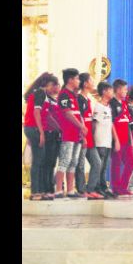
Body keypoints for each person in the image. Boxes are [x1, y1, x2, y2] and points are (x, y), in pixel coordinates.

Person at [23, 72, 59, 201]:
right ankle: (35, 191)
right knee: (38, 161)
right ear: (47, 84)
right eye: (52, 85)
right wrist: (41, 132)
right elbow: (36, 113)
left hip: (33, 128)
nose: (53, 88)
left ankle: (41, 190)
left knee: (41, 160)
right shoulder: (40, 93)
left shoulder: (39, 93)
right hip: (34, 128)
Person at [56, 68, 87, 198]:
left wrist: (82, 130)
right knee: (65, 160)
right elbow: (67, 113)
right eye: (77, 78)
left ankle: (70, 190)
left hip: (77, 135)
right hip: (67, 134)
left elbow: (78, 114)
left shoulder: (74, 96)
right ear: (70, 80)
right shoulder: (63, 94)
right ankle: (58, 189)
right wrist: (80, 125)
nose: (79, 81)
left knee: (74, 161)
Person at [75, 73, 104, 199]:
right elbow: (79, 119)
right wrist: (84, 137)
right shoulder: (79, 99)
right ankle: (81, 190)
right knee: (80, 165)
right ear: (85, 83)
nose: (93, 82)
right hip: (82, 138)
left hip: (90, 138)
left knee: (97, 163)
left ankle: (90, 188)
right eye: (91, 80)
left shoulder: (88, 99)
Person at [87, 81, 116, 199]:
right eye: (110, 90)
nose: (112, 92)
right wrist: (93, 140)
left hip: (107, 141)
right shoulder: (98, 107)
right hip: (99, 141)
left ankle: (103, 187)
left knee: (104, 167)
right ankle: (96, 187)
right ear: (104, 92)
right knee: (99, 165)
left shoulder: (108, 107)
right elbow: (94, 124)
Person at [109, 79, 133, 197]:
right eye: (125, 89)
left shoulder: (125, 104)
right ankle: (116, 188)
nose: (126, 92)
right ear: (118, 89)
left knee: (131, 162)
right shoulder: (112, 103)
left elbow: (129, 124)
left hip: (127, 140)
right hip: (117, 140)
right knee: (116, 163)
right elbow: (112, 123)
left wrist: (131, 141)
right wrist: (116, 141)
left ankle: (123, 187)